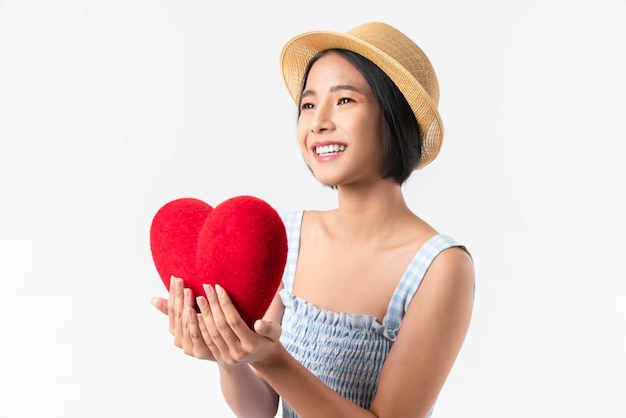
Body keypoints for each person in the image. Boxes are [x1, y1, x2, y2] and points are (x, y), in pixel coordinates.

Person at [152, 21, 475, 418]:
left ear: (395, 117)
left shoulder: (441, 267)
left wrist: (273, 360)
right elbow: (260, 409)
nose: (318, 122)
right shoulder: (287, 234)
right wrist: (229, 355)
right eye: (308, 104)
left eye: (344, 101)